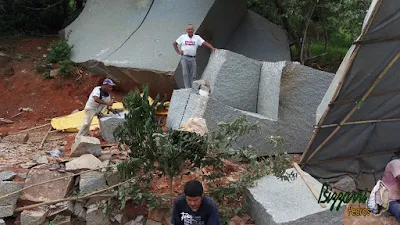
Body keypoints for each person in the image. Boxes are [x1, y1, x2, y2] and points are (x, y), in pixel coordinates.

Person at [173, 24, 216, 89]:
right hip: (184, 58)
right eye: (189, 29)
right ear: (186, 30)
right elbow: (174, 44)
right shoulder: (183, 37)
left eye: (191, 29)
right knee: (185, 74)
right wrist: (178, 51)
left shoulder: (197, 37)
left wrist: (212, 48)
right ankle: (187, 88)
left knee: (193, 75)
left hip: (192, 58)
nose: (190, 30)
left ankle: (192, 88)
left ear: (193, 30)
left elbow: (204, 43)